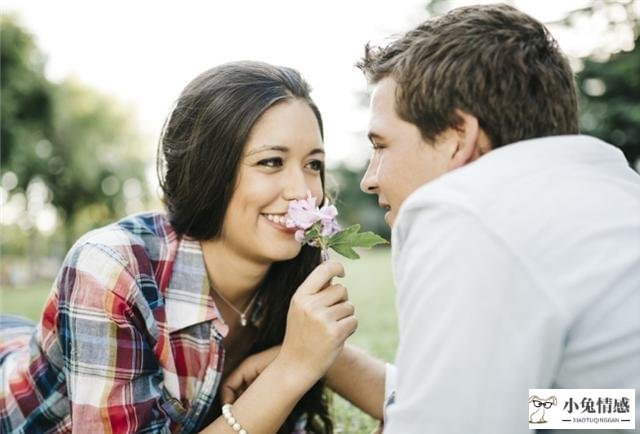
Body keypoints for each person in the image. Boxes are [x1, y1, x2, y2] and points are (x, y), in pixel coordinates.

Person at [222, 4, 640, 433]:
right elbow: (601, 408)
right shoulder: (611, 191)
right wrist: (325, 360)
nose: (369, 179)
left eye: (381, 145)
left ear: (459, 137)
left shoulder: (465, 212)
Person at [0, 61, 358, 433]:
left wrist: (318, 353)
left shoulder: (292, 277)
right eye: (271, 162)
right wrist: (290, 368)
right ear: (208, 170)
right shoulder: (111, 266)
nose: (304, 192)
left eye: (313, 164)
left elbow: (409, 404)